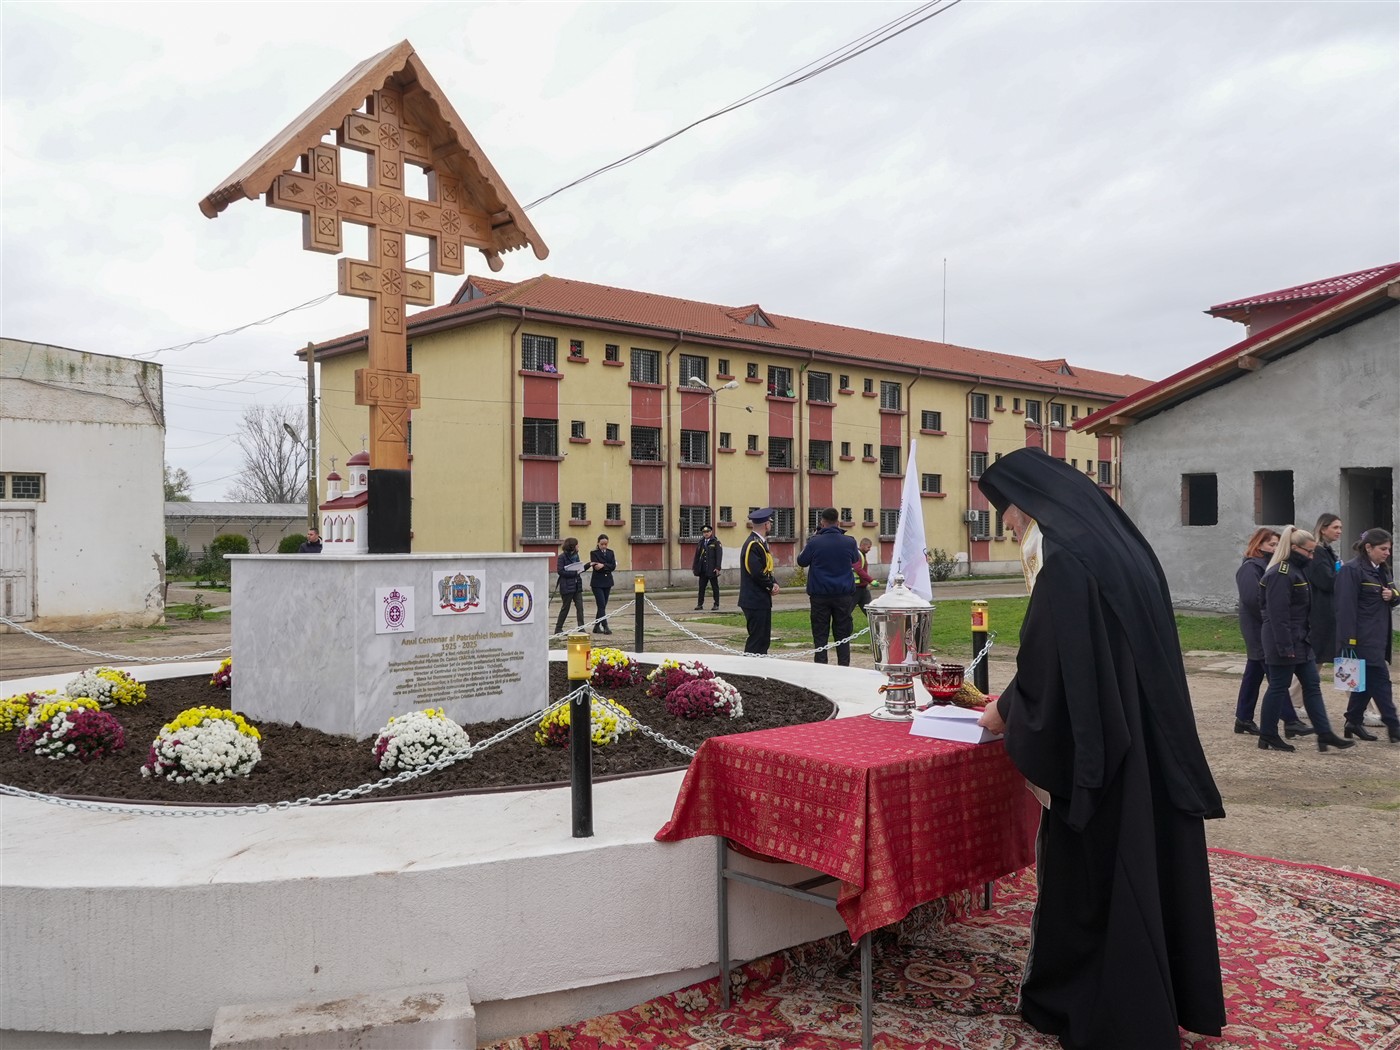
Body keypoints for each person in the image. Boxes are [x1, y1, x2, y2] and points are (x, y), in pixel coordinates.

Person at [974, 448, 1226, 1050]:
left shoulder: (1066, 560)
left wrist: (1003, 714)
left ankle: (1100, 1011)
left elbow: (1051, 668)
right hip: (1148, 737)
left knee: (1100, 876)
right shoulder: (1121, 546)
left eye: (1006, 510)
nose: (1007, 523)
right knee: (1149, 862)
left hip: (1106, 752)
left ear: (1029, 503)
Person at [1257, 526, 1354, 754]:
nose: (1311, 556)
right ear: (1293, 548)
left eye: (1313, 552)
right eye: (1308, 552)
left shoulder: (1298, 571)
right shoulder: (1281, 573)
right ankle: (1268, 734)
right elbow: (1278, 615)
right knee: (1278, 687)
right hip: (1283, 640)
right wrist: (1285, 646)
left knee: (1312, 685)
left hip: (1301, 640)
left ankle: (1325, 733)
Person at [1233, 528, 1307, 735]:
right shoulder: (1250, 567)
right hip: (1258, 628)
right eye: (1271, 544)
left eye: (1277, 544)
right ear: (1258, 545)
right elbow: (1252, 599)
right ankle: (1290, 720)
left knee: (1254, 673)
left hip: (1266, 626)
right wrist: (1273, 618)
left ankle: (1243, 718)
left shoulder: (1272, 566)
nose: (1275, 548)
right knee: (1276, 677)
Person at [1335, 528, 1399, 743]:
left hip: (1379, 635)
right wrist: (1348, 640)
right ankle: (1394, 725)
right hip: (1361, 637)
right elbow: (1345, 608)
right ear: (1369, 548)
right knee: (1380, 681)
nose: (1387, 553)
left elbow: (1395, 594)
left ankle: (1353, 721)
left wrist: (1392, 595)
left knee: (1364, 681)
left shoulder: (1382, 569)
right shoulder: (1351, 570)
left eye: (1389, 549)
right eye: (1383, 549)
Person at [795, 507, 859, 665]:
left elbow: (801, 561)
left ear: (822, 522)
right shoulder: (849, 541)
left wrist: (814, 538)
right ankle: (844, 666)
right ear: (838, 522)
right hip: (843, 595)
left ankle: (821, 666)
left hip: (820, 596)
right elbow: (855, 559)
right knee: (843, 634)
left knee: (820, 635)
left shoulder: (814, 542)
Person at [737, 508, 779, 655]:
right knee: (757, 639)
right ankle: (750, 667)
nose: (770, 526)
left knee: (763, 639)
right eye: (770, 523)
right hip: (754, 598)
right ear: (766, 525)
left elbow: (765, 568)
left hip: (760, 598)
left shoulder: (759, 543)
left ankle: (760, 665)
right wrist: (770, 586)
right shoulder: (753, 544)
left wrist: (773, 582)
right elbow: (755, 572)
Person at [554, 537, 585, 634]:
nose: (578, 546)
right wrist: (574, 573)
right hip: (567, 586)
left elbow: (579, 568)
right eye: (577, 545)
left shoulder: (576, 556)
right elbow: (560, 571)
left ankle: (581, 627)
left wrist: (584, 567)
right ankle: (558, 628)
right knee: (565, 608)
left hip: (577, 585)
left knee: (580, 607)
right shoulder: (562, 557)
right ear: (572, 546)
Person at [588, 534, 616, 635]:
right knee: (601, 604)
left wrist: (603, 565)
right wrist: (605, 566)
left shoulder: (610, 552)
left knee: (603, 606)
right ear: (598, 543)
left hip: (607, 582)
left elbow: (613, 566)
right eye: (602, 544)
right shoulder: (594, 553)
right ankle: (605, 626)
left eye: (605, 544)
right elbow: (596, 567)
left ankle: (596, 626)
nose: (604, 546)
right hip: (597, 583)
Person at [692, 524, 723, 610]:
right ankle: (699, 604)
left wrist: (718, 567)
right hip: (703, 569)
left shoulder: (716, 542)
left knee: (715, 587)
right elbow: (697, 556)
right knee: (701, 588)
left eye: (707, 532)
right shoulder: (701, 542)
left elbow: (719, 556)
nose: (706, 533)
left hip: (712, 569)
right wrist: (695, 567)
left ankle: (716, 604)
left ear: (711, 532)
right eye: (704, 532)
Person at [853, 537, 875, 614]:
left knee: (870, 611)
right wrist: (871, 580)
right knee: (847, 612)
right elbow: (858, 569)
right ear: (862, 545)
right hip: (856, 588)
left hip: (862, 587)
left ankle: (874, 622)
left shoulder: (861, 555)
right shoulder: (857, 555)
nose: (869, 549)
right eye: (868, 547)